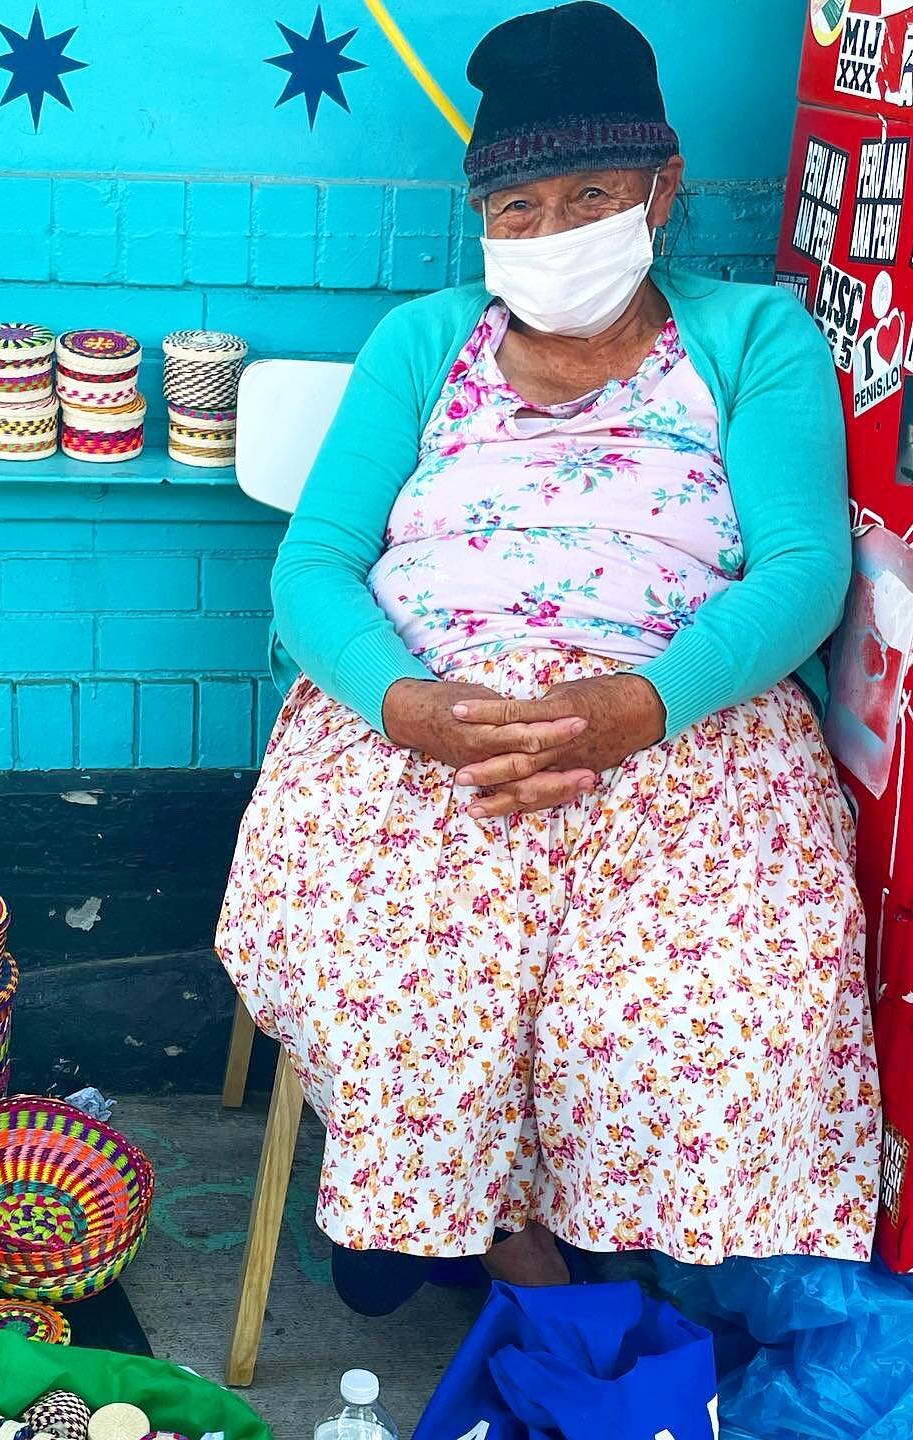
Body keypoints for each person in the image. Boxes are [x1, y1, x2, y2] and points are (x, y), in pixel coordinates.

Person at [215, 1, 881, 1315]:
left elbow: (805, 569)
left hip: (686, 712)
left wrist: (640, 706)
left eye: (590, 195)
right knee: (403, 948)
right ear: (480, 219)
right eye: (518, 209)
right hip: (426, 707)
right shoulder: (422, 340)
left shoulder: (757, 337)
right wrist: (406, 708)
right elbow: (317, 565)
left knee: (701, 990)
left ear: (663, 187)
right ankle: (481, 1223)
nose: (553, 232)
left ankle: (531, 1222)